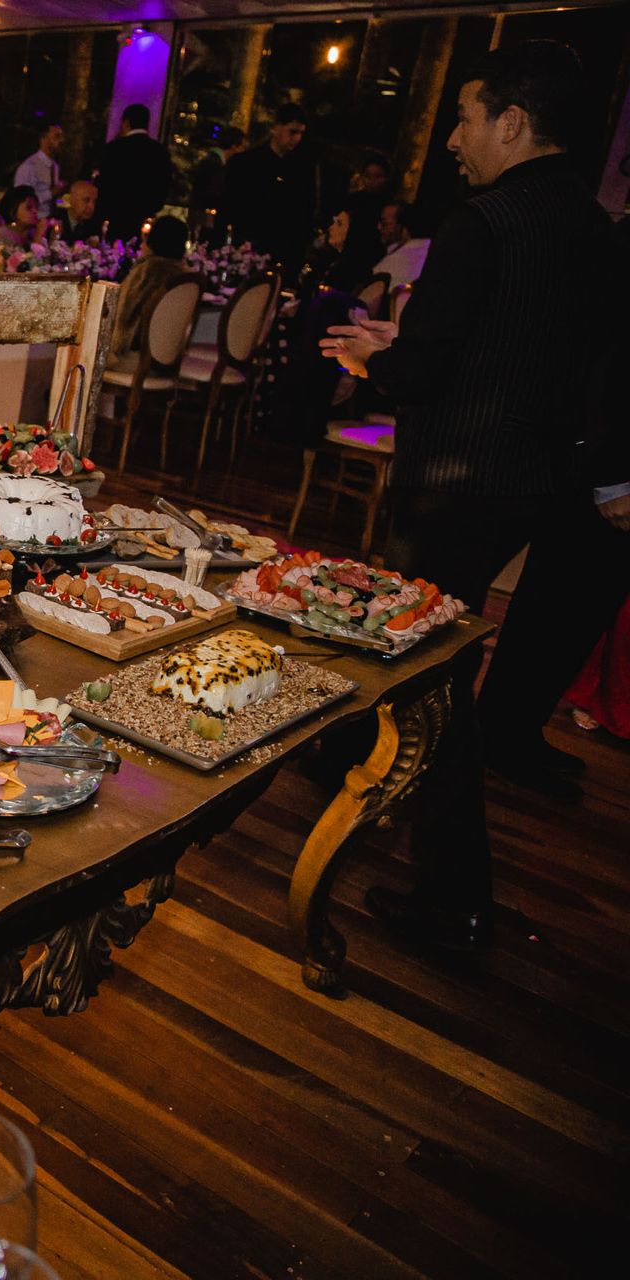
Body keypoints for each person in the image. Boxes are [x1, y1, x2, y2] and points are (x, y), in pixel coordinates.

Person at [320, 41, 624, 953]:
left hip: (458, 481)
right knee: (408, 646)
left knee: (428, 678)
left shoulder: (480, 222)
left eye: (463, 116)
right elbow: (549, 357)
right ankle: (344, 759)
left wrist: (376, 353)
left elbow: (423, 373)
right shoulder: (596, 224)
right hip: (543, 482)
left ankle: (457, 899)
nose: (454, 137)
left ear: (513, 123)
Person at [218, 102, 317, 274]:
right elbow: (228, 206)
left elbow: (306, 212)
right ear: (275, 129)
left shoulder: (302, 170)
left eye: (300, 133)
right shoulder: (246, 164)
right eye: (292, 132)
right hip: (246, 247)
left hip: (282, 251)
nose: (297, 138)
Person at [110, 216, 192, 356]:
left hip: (135, 358)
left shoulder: (147, 273)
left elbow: (124, 320)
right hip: (169, 358)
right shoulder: (186, 277)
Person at [92, 103, 172, 238]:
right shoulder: (159, 152)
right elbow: (164, 183)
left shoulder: (114, 148)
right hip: (144, 216)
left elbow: (104, 182)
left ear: (126, 123)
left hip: (114, 214)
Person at [329, 152, 394, 285]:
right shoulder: (355, 200)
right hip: (349, 254)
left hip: (373, 257)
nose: (372, 181)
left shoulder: (389, 205)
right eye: (368, 176)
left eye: (378, 176)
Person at [371, 200, 430, 290]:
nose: (379, 227)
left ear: (402, 226)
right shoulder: (427, 246)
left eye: (385, 224)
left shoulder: (423, 248)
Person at [14, 123, 66, 204]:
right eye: (57, 136)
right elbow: (21, 199)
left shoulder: (55, 167)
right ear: (43, 139)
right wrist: (51, 193)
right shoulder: (29, 166)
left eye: (62, 136)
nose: (62, 140)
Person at [0, 185, 43, 255]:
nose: (35, 211)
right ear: (12, 212)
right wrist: (39, 235)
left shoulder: (28, 235)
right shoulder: (3, 236)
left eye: (36, 207)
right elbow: (30, 263)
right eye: (29, 208)